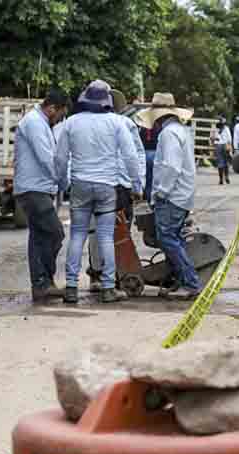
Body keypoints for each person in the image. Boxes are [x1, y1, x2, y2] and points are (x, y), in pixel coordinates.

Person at [55, 80, 141, 304]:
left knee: (77, 235)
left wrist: (63, 183)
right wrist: (136, 184)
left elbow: (61, 158)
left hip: (80, 186)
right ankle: (108, 288)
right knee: (104, 237)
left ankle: (72, 287)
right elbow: (131, 156)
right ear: (107, 101)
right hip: (106, 188)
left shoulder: (71, 123)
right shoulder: (116, 122)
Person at [134, 92, 200, 300]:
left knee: (168, 238)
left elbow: (171, 167)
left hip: (172, 195)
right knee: (174, 238)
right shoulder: (181, 130)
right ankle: (179, 280)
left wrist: (160, 192)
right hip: (182, 194)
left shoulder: (168, 134)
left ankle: (191, 283)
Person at [86, 89, 146, 293]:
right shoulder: (125, 124)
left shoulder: (85, 125)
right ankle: (110, 276)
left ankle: (101, 275)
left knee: (98, 231)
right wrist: (138, 186)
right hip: (118, 186)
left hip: (97, 185)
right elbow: (136, 156)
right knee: (118, 232)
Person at [13, 89, 69, 303]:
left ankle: (43, 284)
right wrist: (62, 180)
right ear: (52, 108)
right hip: (33, 189)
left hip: (37, 188)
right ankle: (42, 283)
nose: (60, 119)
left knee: (39, 237)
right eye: (61, 114)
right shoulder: (35, 123)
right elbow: (47, 159)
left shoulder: (40, 121)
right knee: (55, 234)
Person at [210, 116, 232, 184]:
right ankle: (227, 177)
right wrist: (230, 147)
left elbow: (211, 139)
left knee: (220, 163)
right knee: (226, 162)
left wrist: (214, 142)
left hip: (218, 146)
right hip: (225, 145)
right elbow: (229, 139)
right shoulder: (226, 128)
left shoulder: (214, 129)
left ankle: (221, 179)